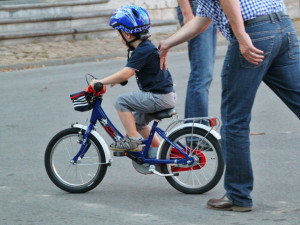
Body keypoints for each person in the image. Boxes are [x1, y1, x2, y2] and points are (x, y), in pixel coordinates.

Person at [159, 0, 300, 212]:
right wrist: (166, 43)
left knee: (235, 120)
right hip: (283, 26)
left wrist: (241, 34)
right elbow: (201, 22)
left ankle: (238, 194)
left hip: (253, 31)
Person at [91, 5, 177, 152]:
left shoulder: (142, 50)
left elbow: (126, 73)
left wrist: (100, 81)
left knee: (121, 101)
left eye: (119, 34)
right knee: (137, 123)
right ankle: (159, 153)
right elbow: (129, 73)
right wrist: (116, 80)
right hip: (165, 96)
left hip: (158, 97)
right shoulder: (144, 48)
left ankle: (131, 140)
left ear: (127, 34)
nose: (119, 38)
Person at [177, 0, 217, 120]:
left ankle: (193, 132)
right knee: (201, 75)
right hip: (195, 9)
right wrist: (187, 12)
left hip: (210, 9)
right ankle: (196, 132)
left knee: (203, 76)